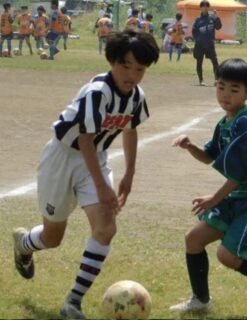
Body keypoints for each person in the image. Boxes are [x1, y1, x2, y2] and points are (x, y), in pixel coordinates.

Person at [12, 29, 160, 320]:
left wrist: (129, 174)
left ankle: (72, 302)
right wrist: (103, 188)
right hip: (63, 158)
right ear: (112, 61)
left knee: (106, 227)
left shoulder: (136, 97)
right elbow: (84, 141)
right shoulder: (97, 93)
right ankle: (25, 242)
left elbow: (130, 130)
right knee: (53, 237)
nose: (132, 74)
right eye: (125, 65)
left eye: (140, 69)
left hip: (96, 158)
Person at [169, 58, 247, 318]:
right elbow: (209, 156)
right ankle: (201, 301)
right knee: (194, 240)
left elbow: (238, 175)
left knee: (227, 255)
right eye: (220, 87)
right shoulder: (226, 122)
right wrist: (190, 146)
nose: (225, 95)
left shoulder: (244, 123)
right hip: (238, 195)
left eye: (234, 89)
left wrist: (213, 199)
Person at [192, 0, 221, 86]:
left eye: (206, 6)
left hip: (210, 44)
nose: (205, 8)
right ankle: (201, 80)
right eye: (203, 6)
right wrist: (198, 40)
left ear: (208, 8)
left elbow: (218, 27)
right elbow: (194, 32)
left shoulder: (212, 18)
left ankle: (216, 79)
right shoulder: (198, 20)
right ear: (200, 8)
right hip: (200, 45)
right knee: (199, 61)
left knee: (215, 61)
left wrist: (216, 18)